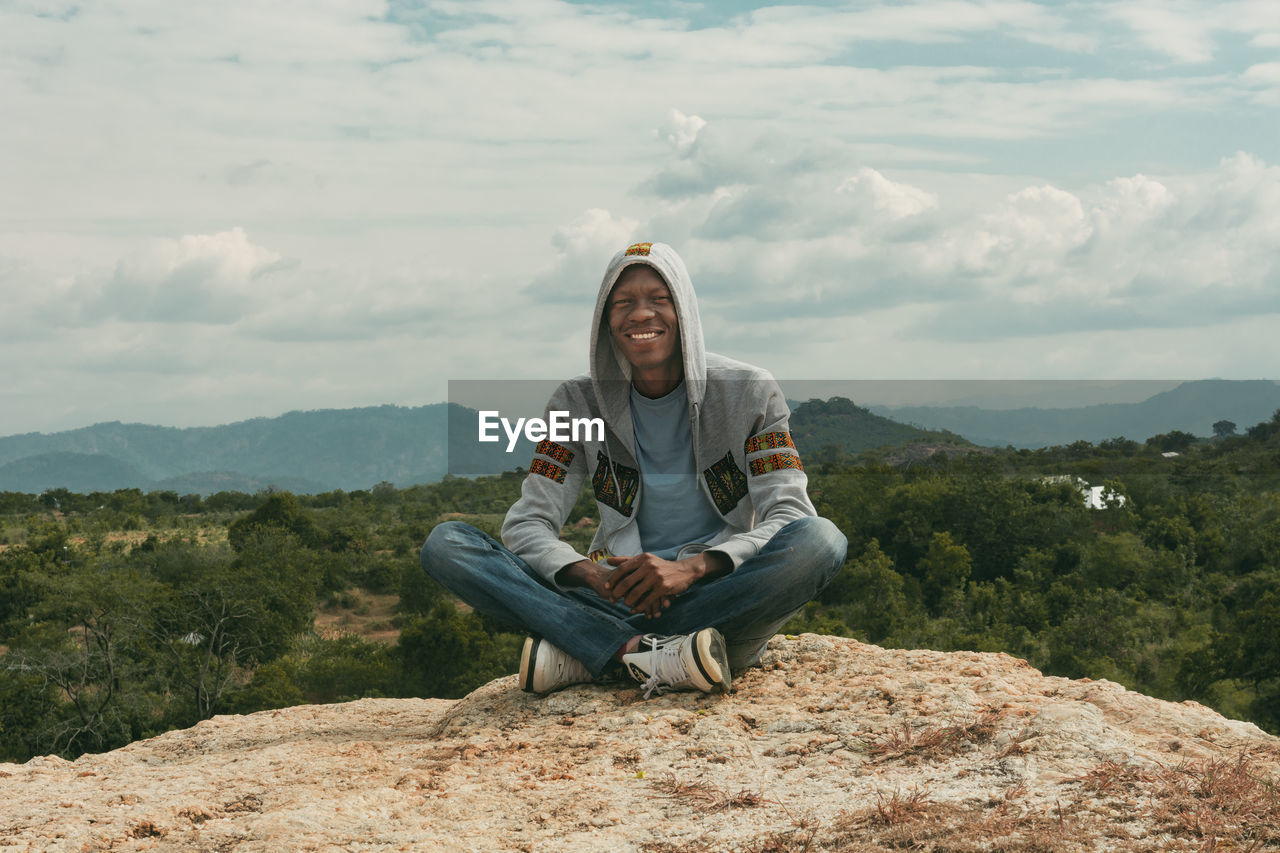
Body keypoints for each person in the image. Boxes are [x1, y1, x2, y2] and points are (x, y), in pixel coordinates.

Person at [421, 241, 846, 698]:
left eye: (659, 300)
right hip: (611, 597)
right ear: (606, 321)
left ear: (685, 311)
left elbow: (790, 516)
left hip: (713, 596)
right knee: (448, 544)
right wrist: (593, 575)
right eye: (623, 303)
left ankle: (589, 650)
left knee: (822, 540)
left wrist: (693, 569)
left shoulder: (750, 393)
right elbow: (527, 525)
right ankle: (643, 652)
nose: (641, 315)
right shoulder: (576, 403)